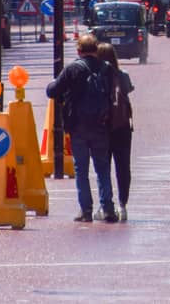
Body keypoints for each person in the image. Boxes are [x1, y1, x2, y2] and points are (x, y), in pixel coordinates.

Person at [45, 33, 118, 223]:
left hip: (77, 125)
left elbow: (53, 91)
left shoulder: (73, 69)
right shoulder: (107, 69)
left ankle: (86, 210)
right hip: (101, 124)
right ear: (96, 50)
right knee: (102, 167)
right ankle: (108, 208)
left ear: (78, 50)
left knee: (82, 169)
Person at [96, 43, 134, 222]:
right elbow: (127, 91)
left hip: (102, 126)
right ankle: (122, 205)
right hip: (122, 126)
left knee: (103, 167)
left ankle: (104, 204)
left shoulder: (95, 77)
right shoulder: (122, 75)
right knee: (123, 166)